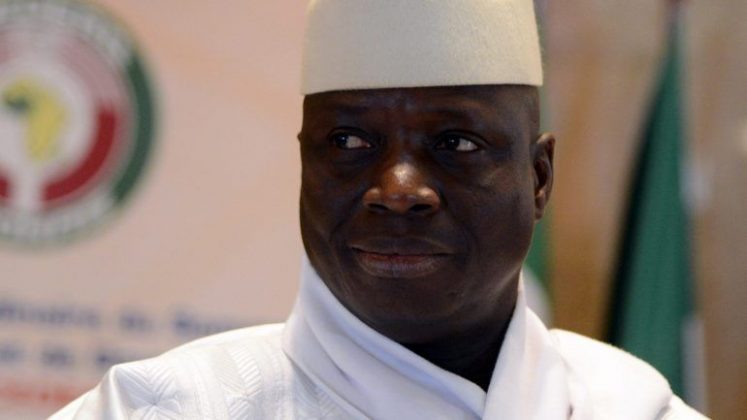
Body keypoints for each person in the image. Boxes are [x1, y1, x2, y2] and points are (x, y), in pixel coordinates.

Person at [52, 1, 706, 418]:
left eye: (455, 143)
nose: (397, 188)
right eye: (348, 142)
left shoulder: (631, 409)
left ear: (538, 178)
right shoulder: (167, 408)